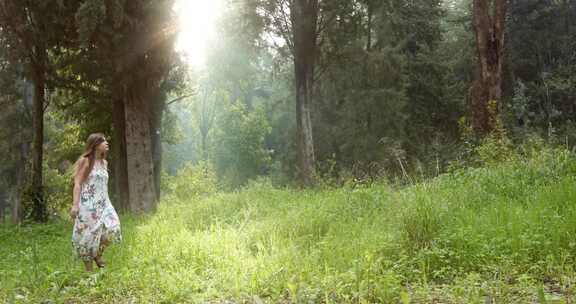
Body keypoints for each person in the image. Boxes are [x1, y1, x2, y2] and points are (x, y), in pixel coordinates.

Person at [70, 133, 121, 272]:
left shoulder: (104, 163)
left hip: (104, 203)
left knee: (113, 228)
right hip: (88, 205)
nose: (106, 143)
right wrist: (75, 205)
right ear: (95, 145)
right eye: (103, 141)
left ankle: (98, 254)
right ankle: (89, 272)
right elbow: (78, 183)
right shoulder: (86, 161)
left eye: (106, 141)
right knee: (87, 236)